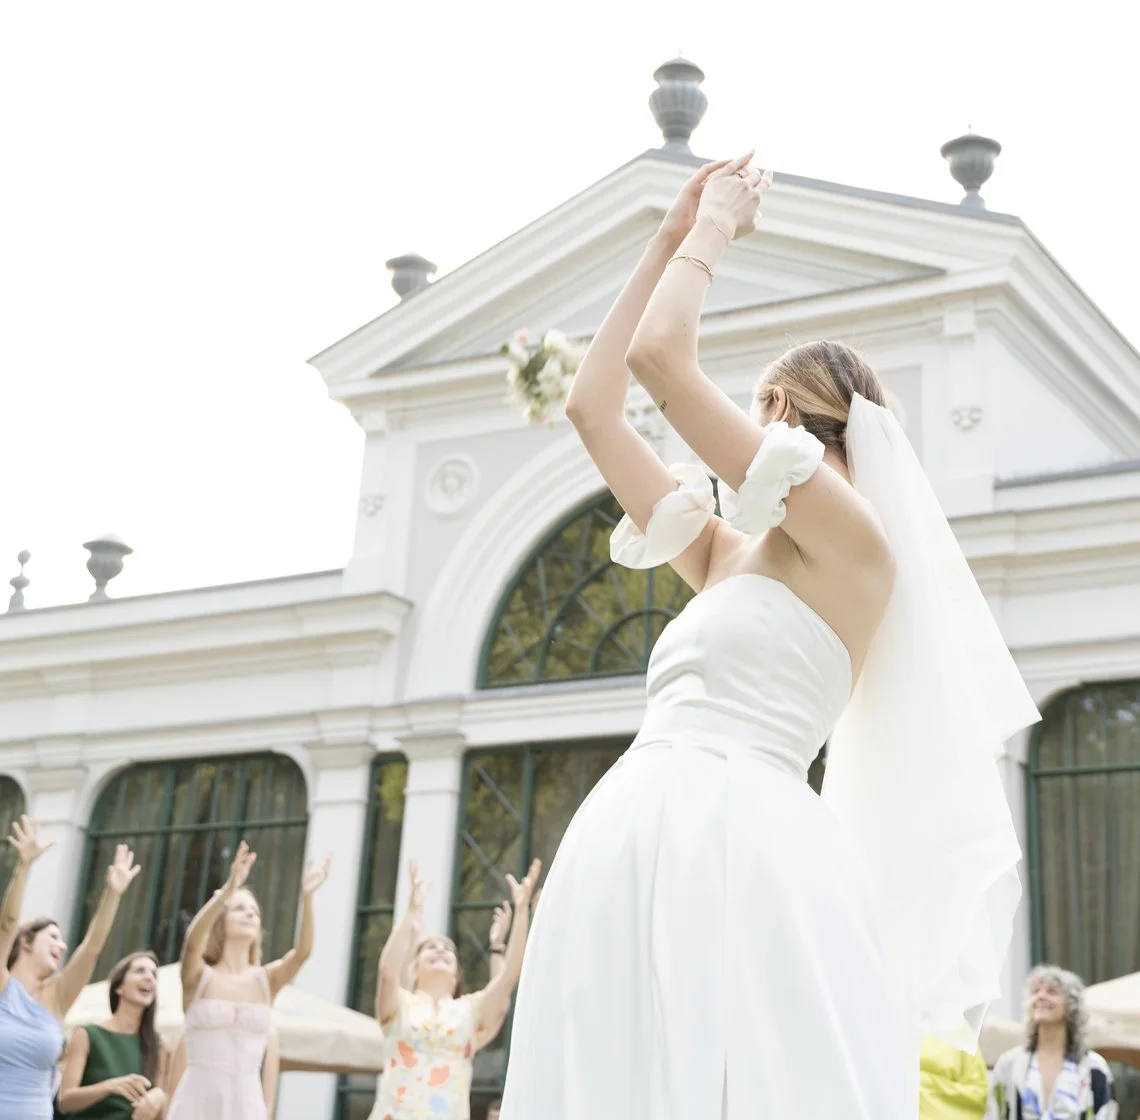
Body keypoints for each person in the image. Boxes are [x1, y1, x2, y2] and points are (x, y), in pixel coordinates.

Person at [500, 154, 1038, 1119]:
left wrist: (715, 235)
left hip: (743, 839)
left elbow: (663, 362)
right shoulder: (718, 553)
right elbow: (593, 406)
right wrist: (666, 235)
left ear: (783, 419)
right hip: (629, 826)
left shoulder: (856, 546)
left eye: (756, 411)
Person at [168, 837, 330, 1120]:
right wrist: (227, 891)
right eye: (240, 908)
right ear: (221, 921)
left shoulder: (265, 980)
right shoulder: (199, 976)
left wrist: (308, 898)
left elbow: (302, 953)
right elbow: (193, 942)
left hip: (247, 1105)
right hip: (199, 1103)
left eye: (255, 912)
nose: (250, 914)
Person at [367, 855, 539, 1120]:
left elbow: (507, 979)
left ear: (456, 976)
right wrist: (411, 913)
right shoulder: (400, 1006)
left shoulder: (469, 1011)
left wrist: (522, 911)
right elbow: (388, 972)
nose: (440, 950)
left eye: (448, 949)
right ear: (414, 969)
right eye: (430, 948)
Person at [1, 816, 142, 1120]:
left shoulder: (58, 997)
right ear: (25, 942)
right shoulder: (2, 985)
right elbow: (5, 926)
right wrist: (24, 866)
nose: (62, 946)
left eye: (63, 941)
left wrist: (113, 895)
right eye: (53, 937)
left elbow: (91, 948)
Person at [990, 966, 1116, 1120]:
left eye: (1052, 991)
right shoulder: (1009, 1064)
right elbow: (993, 1114)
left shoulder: (1094, 1068)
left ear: (1071, 1005)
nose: (1041, 996)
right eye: (1036, 991)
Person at [59, 947, 167, 1118]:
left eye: (154, 974)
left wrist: (160, 1098)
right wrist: (110, 1086)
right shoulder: (87, 1034)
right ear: (119, 987)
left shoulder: (157, 1045)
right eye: (140, 971)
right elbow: (64, 1101)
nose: (149, 978)